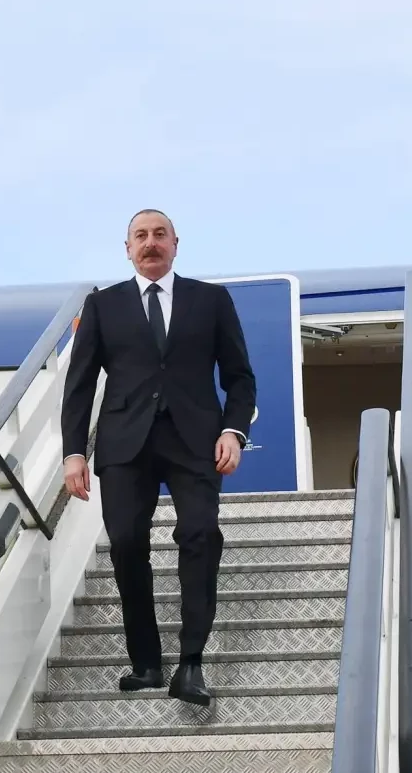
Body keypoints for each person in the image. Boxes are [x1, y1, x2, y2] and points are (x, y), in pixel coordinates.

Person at [60, 209, 257, 707]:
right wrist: (73, 452)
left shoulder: (211, 300)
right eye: (141, 236)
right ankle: (146, 662)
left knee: (199, 534)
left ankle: (191, 663)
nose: (151, 243)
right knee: (127, 542)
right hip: (125, 442)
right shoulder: (102, 305)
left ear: (175, 244)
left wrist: (233, 430)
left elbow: (240, 376)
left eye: (160, 234)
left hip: (195, 440)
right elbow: (79, 384)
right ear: (127, 248)